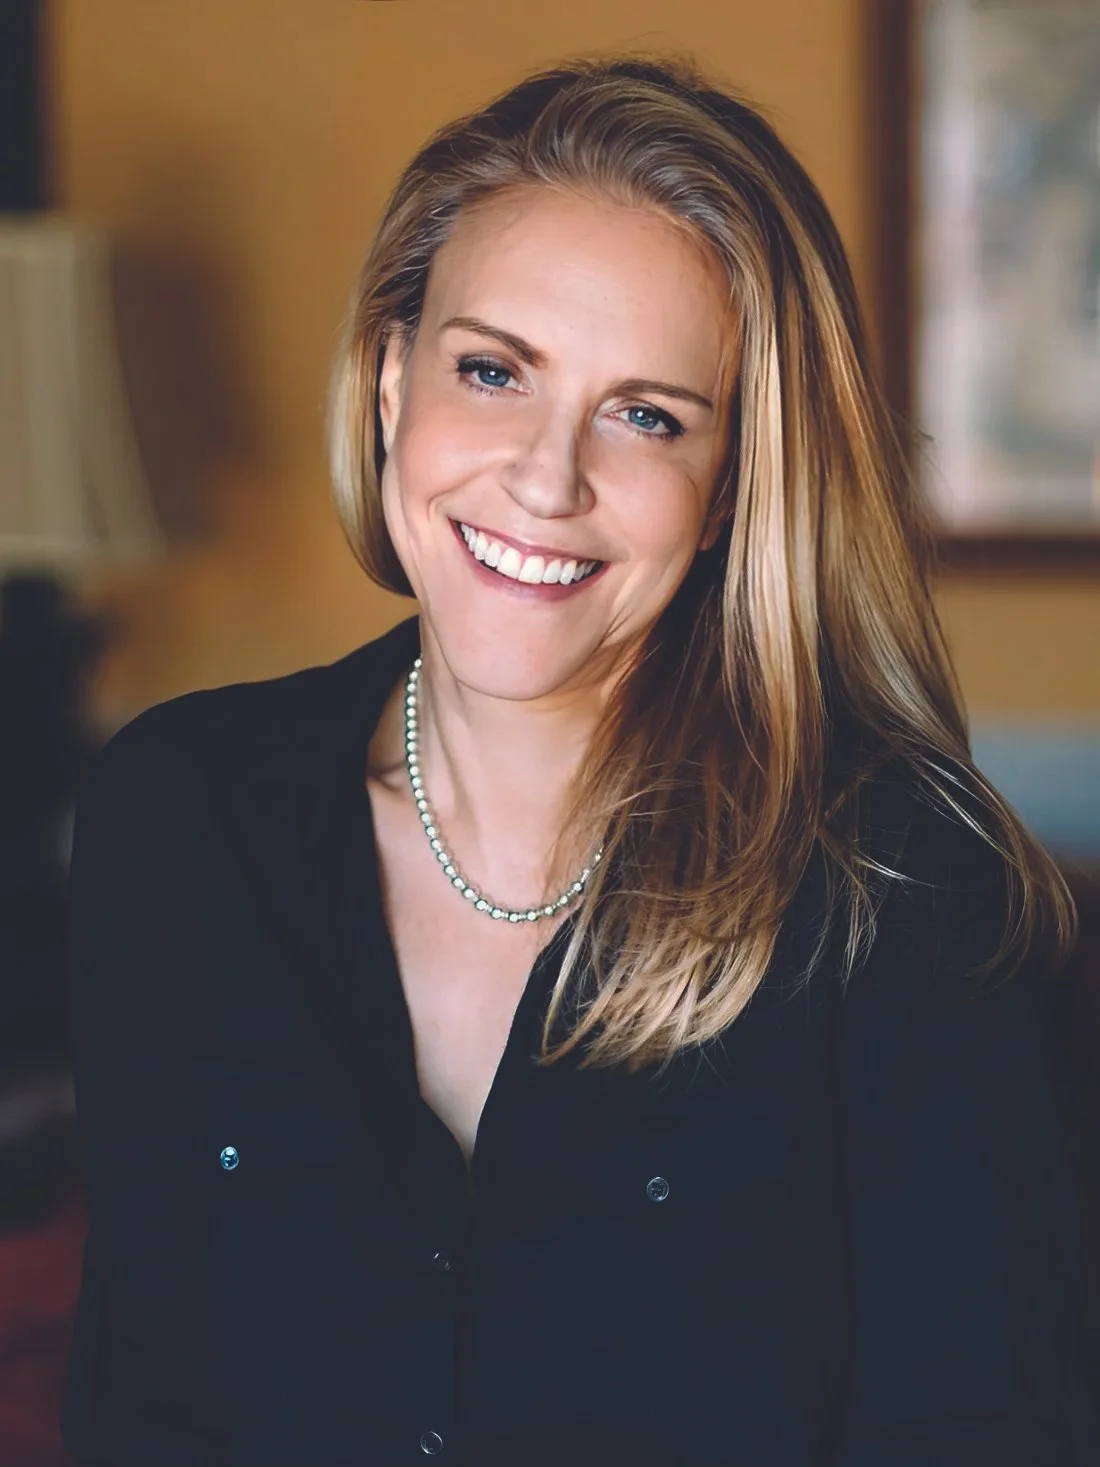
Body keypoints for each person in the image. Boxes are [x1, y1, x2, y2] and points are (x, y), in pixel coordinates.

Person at [60, 55, 1099, 1467]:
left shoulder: (910, 901)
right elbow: (141, 1404)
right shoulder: (173, 818)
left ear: (735, 484)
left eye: (648, 413)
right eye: (492, 370)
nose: (547, 480)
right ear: (386, 381)